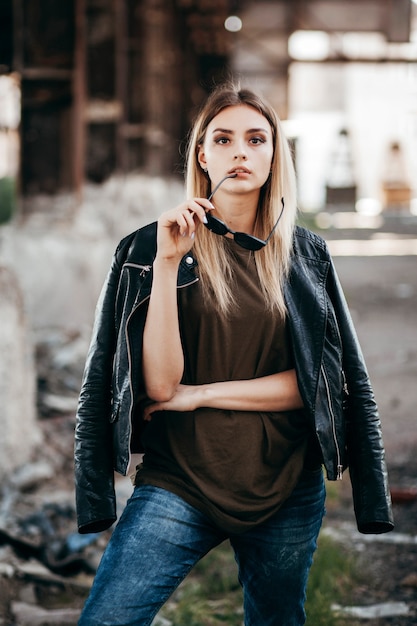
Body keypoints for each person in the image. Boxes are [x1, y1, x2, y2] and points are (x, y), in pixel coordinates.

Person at [74, 83, 394, 626]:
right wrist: (169, 262)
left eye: (256, 139)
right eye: (223, 139)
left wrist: (202, 396)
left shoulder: (306, 254)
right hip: (181, 480)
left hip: (286, 487)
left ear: (275, 157)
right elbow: (159, 388)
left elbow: (320, 382)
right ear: (202, 155)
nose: (240, 152)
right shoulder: (147, 248)